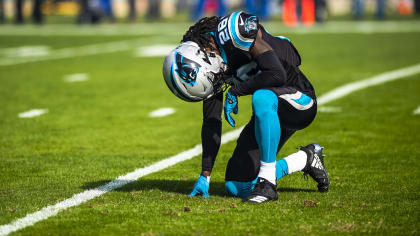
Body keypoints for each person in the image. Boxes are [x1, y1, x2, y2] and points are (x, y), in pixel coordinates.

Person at [162, 11, 330, 203]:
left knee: (261, 97)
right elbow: (211, 120)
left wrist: (236, 91)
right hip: (269, 114)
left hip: (300, 100)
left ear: (204, 56)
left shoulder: (235, 32)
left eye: (213, 78)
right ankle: (305, 159)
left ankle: (267, 185)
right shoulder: (214, 64)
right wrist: (205, 174)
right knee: (237, 185)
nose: (216, 80)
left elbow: (278, 75)